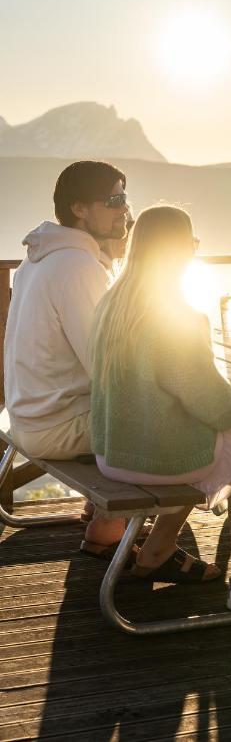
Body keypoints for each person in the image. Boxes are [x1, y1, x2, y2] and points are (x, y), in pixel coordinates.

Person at [89, 204, 231, 610]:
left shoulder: (111, 307)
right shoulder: (177, 315)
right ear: (179, 250)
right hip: (157, 457)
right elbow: (209, 401)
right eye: (192, 242)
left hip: (111, 453)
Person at [4, 160, 130, 552]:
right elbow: (107, 368)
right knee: (178, 420)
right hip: (57, 426)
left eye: (125, 199)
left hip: (26, 414)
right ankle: (120, 531)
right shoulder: (77, 266)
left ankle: (101, 512)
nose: (125, 209)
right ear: (80, 209)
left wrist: (107, 260)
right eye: (115, 199)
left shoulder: (41, 258)